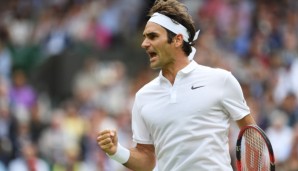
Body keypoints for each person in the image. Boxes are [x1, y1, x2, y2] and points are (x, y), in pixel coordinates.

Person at [97, 0, 256, 170]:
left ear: (178, 40)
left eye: (153, 36)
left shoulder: (221, 80)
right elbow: (147, 160)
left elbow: (253, 136)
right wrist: (116, 151)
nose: (144, 43)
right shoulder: (143, 97)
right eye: (144, 37)